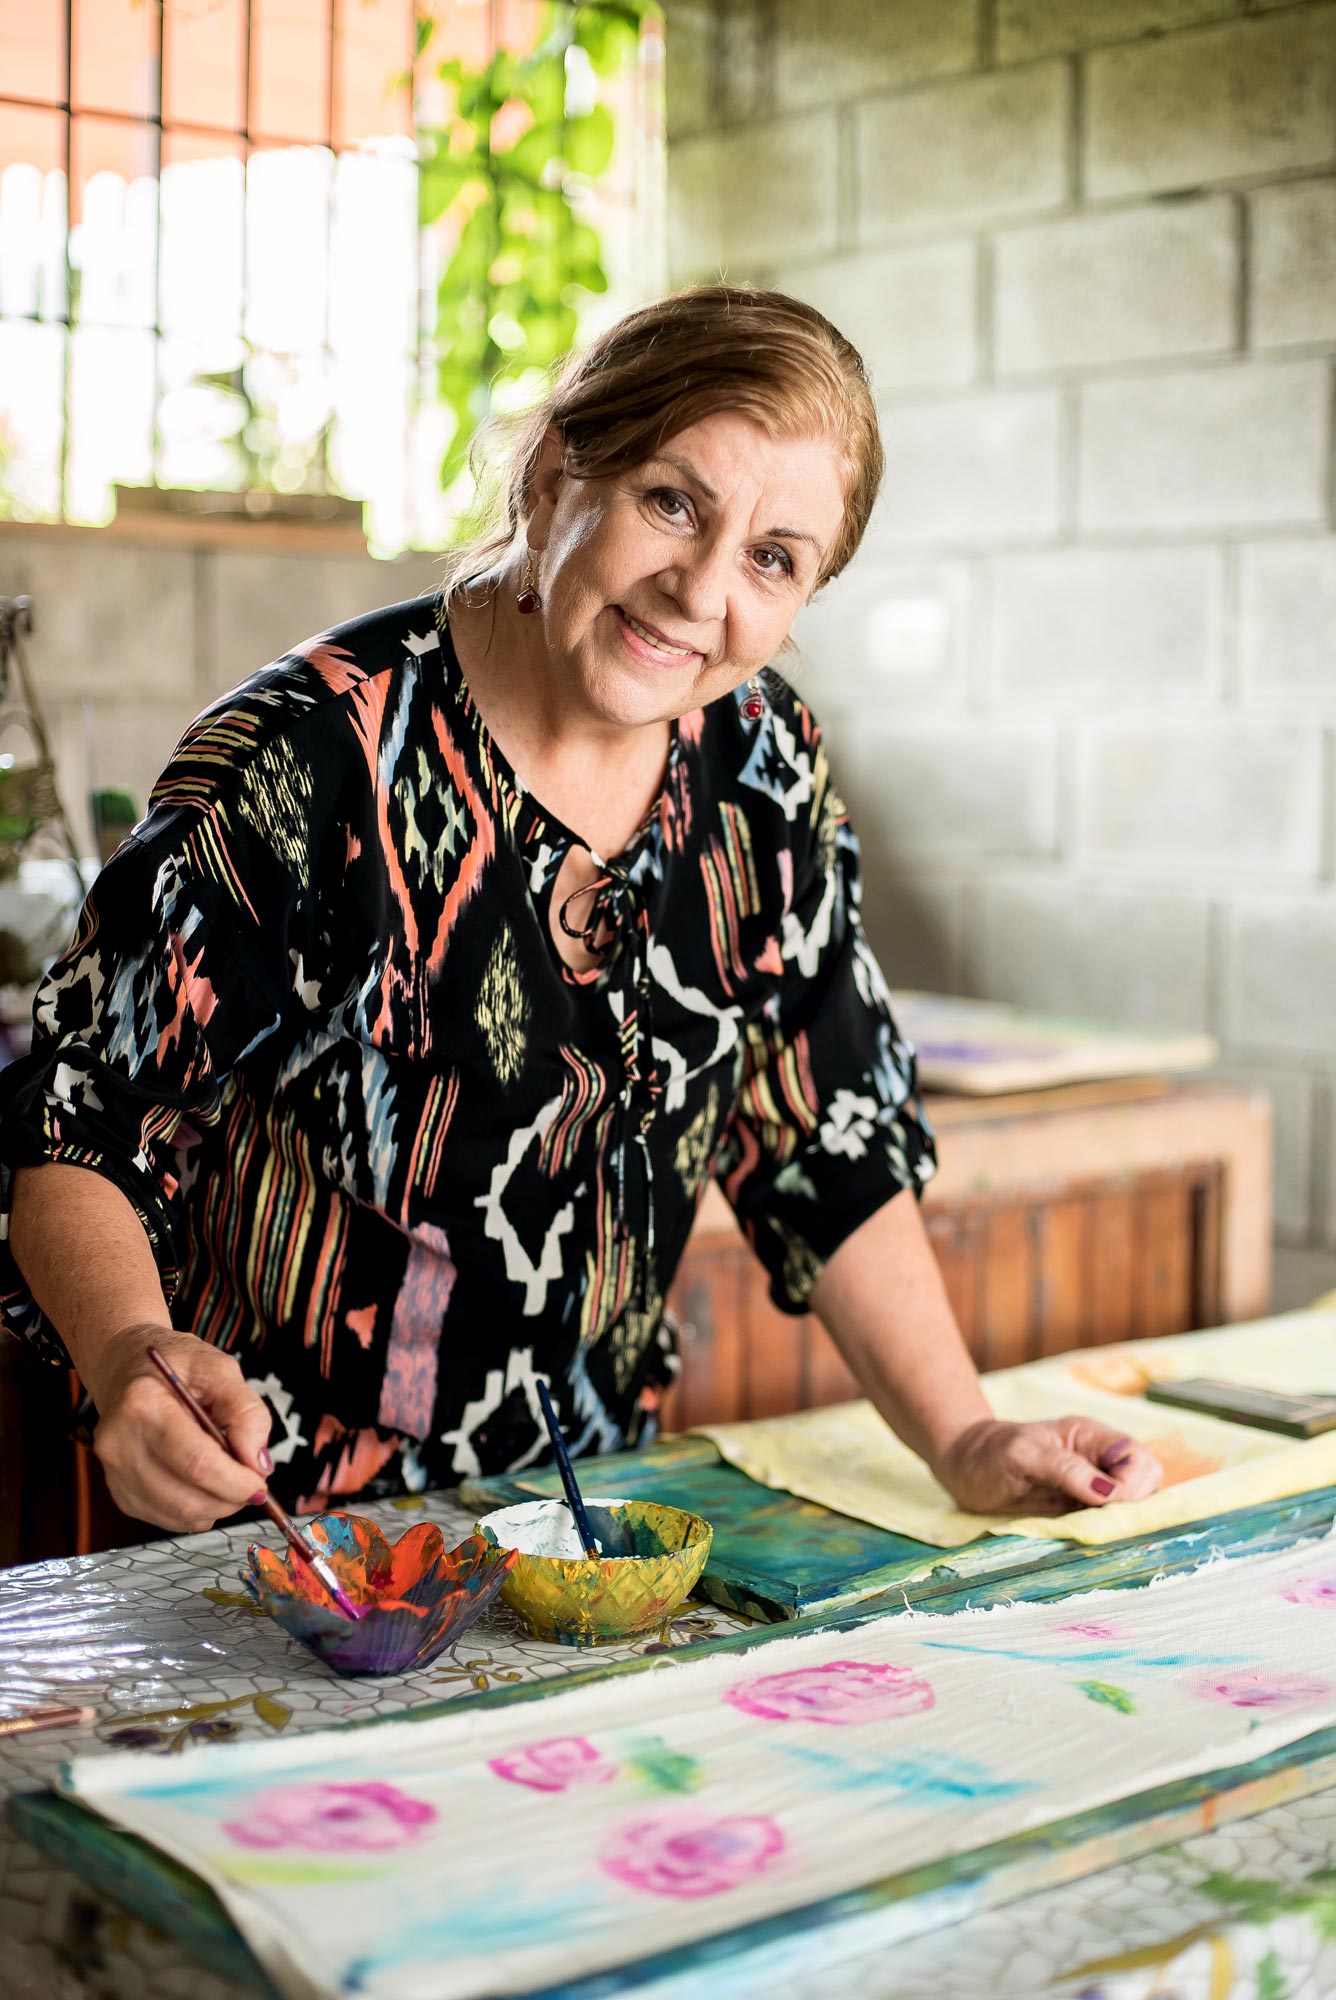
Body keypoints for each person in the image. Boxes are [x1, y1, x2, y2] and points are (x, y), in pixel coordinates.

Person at [0, 285, 1162, 1535]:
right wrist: (129, 1351)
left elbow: (823, 1130)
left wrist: (966, 1435)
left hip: (593, 1529)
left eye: (772, 558)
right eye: (673, 502)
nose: (700, 591)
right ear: (559, 475)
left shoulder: (762, 767)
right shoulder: (311, 758)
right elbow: (77, 1126)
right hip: (278, 1535)